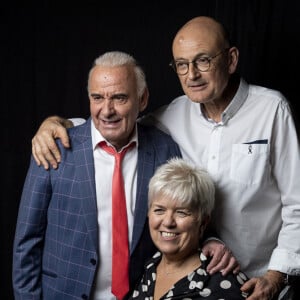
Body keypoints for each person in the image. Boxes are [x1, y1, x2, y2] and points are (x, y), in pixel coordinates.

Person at [30, 16, 300, 299]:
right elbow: (116, 121)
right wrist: (60, 124)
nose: (192, 74)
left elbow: (296, 204)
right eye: (182, 65)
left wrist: (275, 276)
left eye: (203, 60)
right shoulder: (174, 114)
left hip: (259, 283)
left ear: (231, 60)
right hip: (197, 283)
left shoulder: (271, 110)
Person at [13, 50, 235, 300]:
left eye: (119, 98)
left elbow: (184, 213)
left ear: (142, 100)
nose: (107, 110)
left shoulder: (165, 150)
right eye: (97, 98)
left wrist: (211, 239)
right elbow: (27, 242)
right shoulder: (55, 149)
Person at [128, 157, 249, 300]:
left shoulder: (223, 283)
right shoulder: (149, 267)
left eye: (181, 212)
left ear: (203, 222)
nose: (168, 222)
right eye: (159, 210)